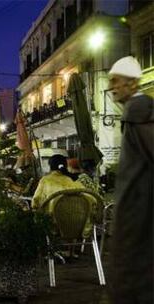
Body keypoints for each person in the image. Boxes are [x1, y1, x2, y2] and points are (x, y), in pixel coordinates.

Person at [108, 56, 153, 304]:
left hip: (139, 210)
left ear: (133, 84)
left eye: (117, 81)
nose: (113, 86)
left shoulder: (139, 111)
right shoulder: (137, 111)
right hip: (136, 207)